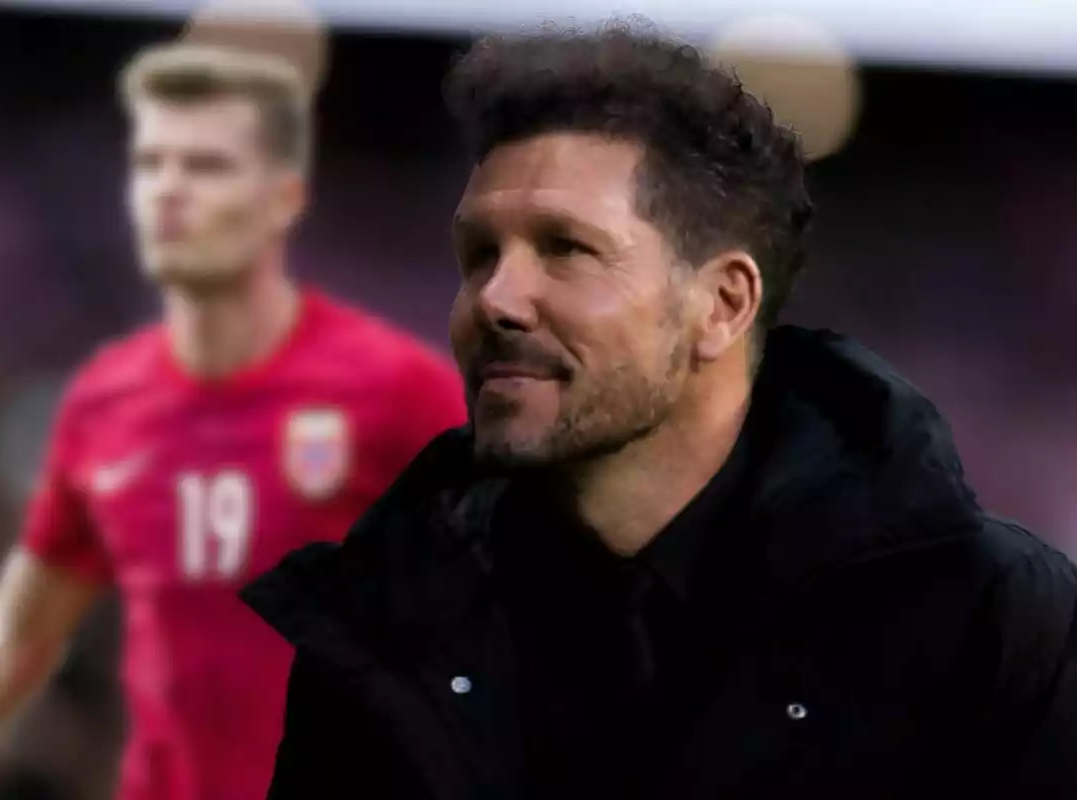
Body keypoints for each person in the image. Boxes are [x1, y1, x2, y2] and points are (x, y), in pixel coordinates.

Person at [241, 22, 1077, 800]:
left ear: (722, 303)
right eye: (478, 254)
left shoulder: (990, 624)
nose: (494, 298)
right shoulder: (376, 629)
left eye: (566, 249)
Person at [0, 42, 466, 800]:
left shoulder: (399, 392)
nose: (173, 196)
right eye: (156, 167)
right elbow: (17, 634)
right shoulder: (109, 401)